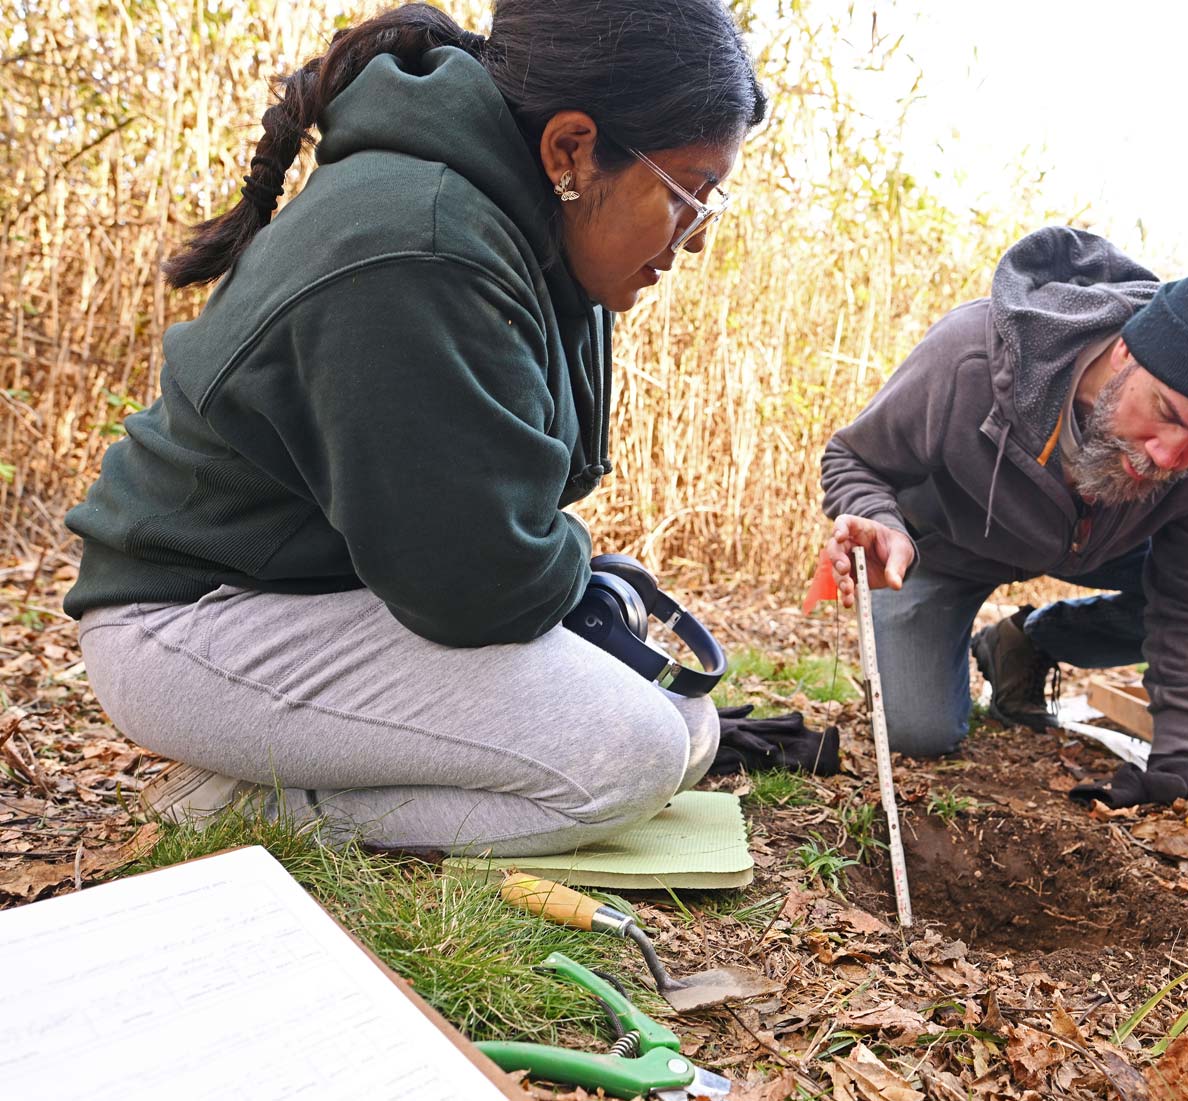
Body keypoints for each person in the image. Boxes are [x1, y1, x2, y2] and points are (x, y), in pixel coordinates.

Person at [61, 0, 766, 855]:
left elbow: (490, 538)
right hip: (193, 619)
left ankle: (296, 775)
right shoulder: (423, 248)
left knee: (689, 719)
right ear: (572, 149)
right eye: (689, 193)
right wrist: (576, 566)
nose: (694, 239)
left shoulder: (515, 223)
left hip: (320, 587)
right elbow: (476, 587)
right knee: (627, 758)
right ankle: (239, 808)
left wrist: (576, 578)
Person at [818, 227, 1188, 806]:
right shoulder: (970, 358)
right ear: (1125, 353)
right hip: (944, 549)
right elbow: (853, 457)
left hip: (1101, 548)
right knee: (920, 733)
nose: (1166, 456)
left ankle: (1029, 641)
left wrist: (1176, 753)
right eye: (1165, 413)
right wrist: (877, 519)